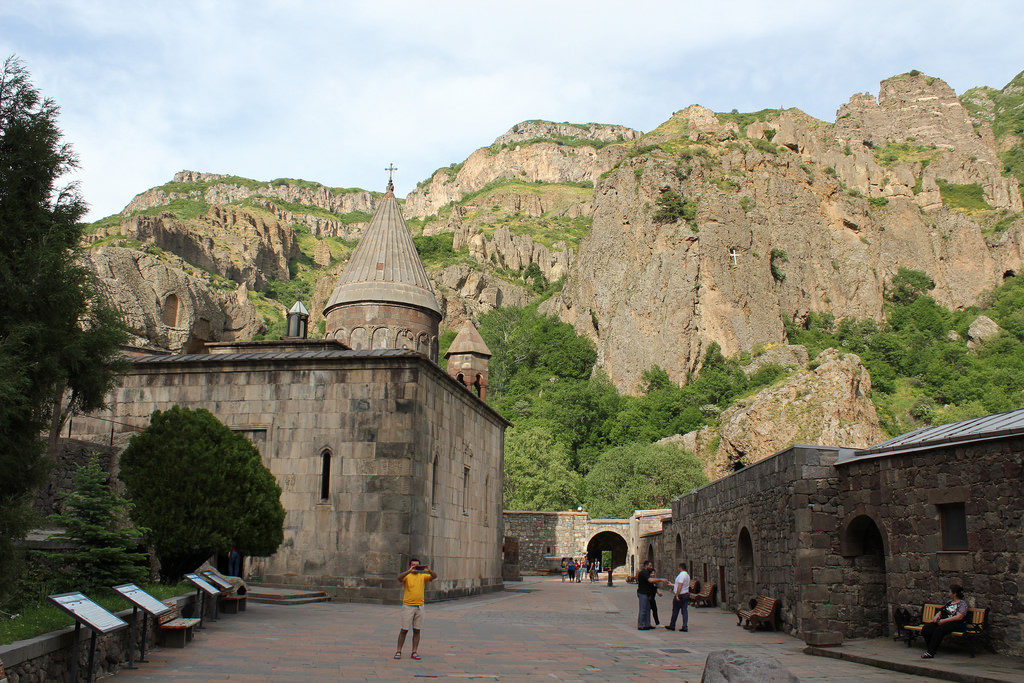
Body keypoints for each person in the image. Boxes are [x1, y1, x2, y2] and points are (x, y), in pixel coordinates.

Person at [395, 558, 437, 660]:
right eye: (413, 565)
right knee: (404, 629)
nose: (415, 567)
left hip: (420, 606)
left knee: (417, 630)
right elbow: (399, 578)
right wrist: (409, 571)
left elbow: (434, 577)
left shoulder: (422, 577)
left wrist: (429, 570)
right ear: (410, 566)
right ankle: (398, 650)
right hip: (408, 606)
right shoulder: (407, 576)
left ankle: (414, 651)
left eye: (417, 565)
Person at [920, 584, 968, 659]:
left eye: (950, 592)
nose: (949, 593)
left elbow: (959, 617)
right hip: (943, 621)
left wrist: (944, 621)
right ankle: (931, 647)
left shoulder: (962, 604)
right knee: (926, 628)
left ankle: (930, 652)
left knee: (939, 630)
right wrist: (937, 615)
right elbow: (942, 610)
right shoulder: (949, 602)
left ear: (955, 593)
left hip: (954, 623)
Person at [635, 560, 665, 630]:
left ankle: (647, 624)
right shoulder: (643, 573)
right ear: (646, 566)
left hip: (647, 594)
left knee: (648, 609)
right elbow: (650, 580)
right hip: (643, 593)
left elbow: (652, 585)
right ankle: (640, 625)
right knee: (643, 609)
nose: (651, 567)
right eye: (650, 566)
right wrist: (660, 579)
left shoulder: (647, 573)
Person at [665, 562, 691, 632]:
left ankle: (672, 625)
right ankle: (684, 626)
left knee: (675, 610)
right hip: (686, 594)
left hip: (681, 595)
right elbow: (681, 585)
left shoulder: (682, 575)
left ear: (680, 568)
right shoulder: (687, 575)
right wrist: (672, 585)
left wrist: (677, 595)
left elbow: (680, 585)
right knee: (684, 611)